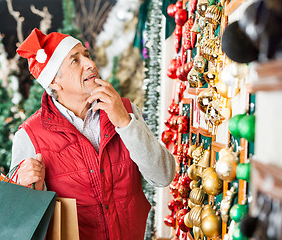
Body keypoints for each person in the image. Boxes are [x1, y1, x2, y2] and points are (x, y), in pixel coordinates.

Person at [11, 28, 175, 240]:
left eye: (86, 56)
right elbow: (21, 218)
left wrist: (125, 123)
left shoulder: (125, 110)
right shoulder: (30, 135)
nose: (90, 64)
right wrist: (25, 186)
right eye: (75, 61)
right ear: (53, 82)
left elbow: (164, 176)